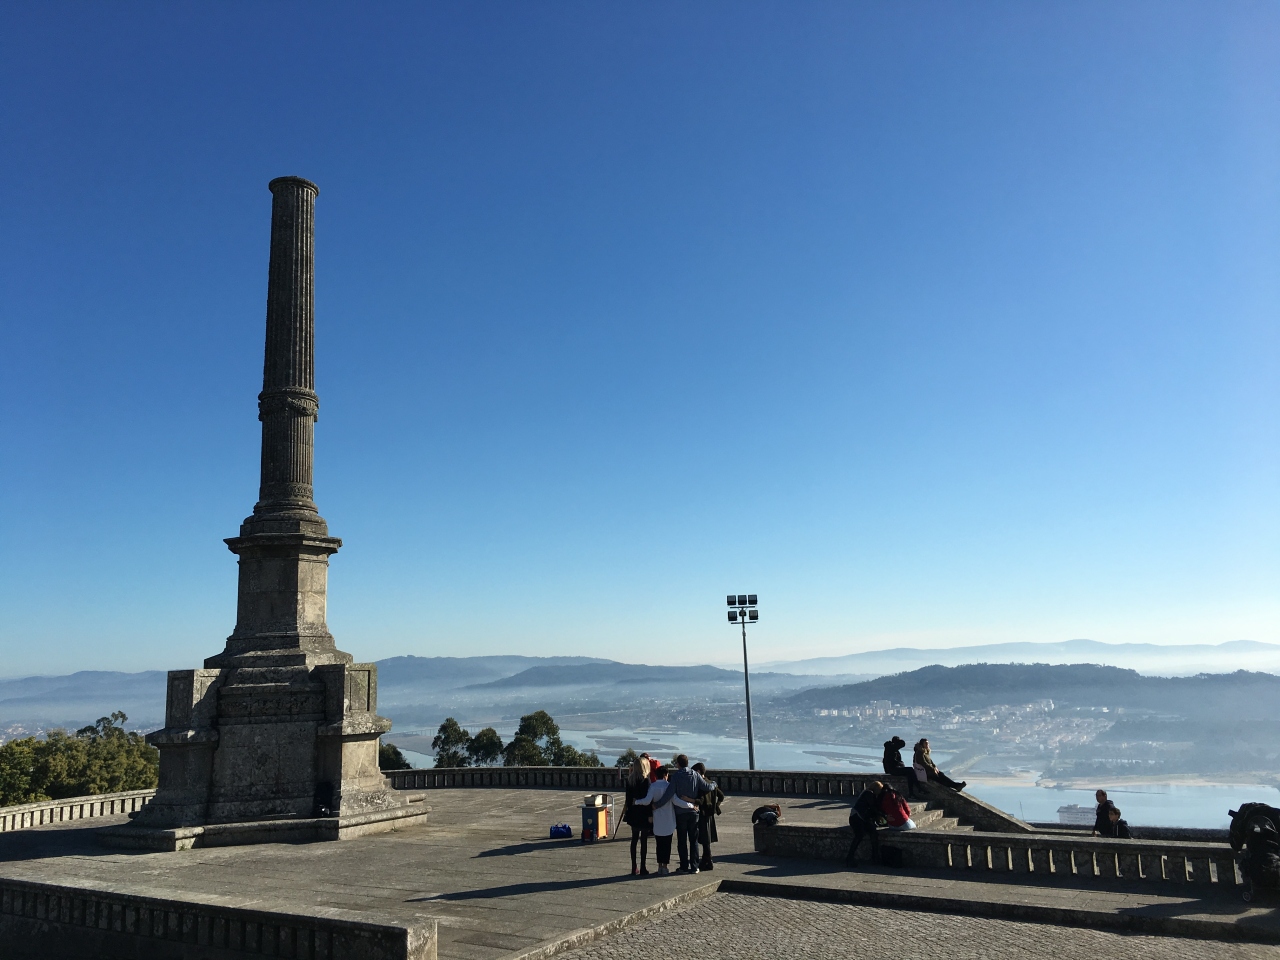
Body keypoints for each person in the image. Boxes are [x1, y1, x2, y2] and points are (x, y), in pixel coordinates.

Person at [630, 765, 678, 874]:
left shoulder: (653, 786)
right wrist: (689, 804)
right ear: (666, 775)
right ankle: (665, 867)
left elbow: (647, 801)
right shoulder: (670, 786)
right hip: (669, 820)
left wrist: (637, 801)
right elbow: (675, 801)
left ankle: (659, 865)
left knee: (659, 844)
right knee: (667, 844)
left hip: (657, 820)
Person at [668, 754, 712, 873]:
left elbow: (669, 793)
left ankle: (683, 866)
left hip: (680, 813)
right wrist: (714, 784)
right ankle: (694, 866)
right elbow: (707, 787)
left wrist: (657, 804)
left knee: (682, 840)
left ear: (678, 764)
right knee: (694, 840)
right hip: (693, 812)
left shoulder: (676, 776)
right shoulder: (695, 775)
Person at [622, 756, 653, 875]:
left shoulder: (630, 780)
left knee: (634, 839)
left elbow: (628, 799)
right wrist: (650, 815)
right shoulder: (646, 781)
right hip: (644, 813)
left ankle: (634, 867)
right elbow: (649, 800)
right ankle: (643, 866)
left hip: (633, 813)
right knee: (643, 841)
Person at [691, 762, 724, 871]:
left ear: (698, 772)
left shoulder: (701, 785)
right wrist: (716, 806)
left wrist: (690, 801)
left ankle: (708, 860)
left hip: (703, 814)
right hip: (710, 814)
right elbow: (721, 796)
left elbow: (700, 800)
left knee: (704, 839)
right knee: (707, 839)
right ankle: (706, 860)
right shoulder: (711, 783)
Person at [847, 780, 884, 867]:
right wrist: (883, 815)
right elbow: (873, 808)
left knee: (873, 832)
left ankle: (875, 857)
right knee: (859, 835)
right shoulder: (868, 793)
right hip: (856, 818)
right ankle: (849, 857)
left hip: (862, 818)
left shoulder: (867, 793)